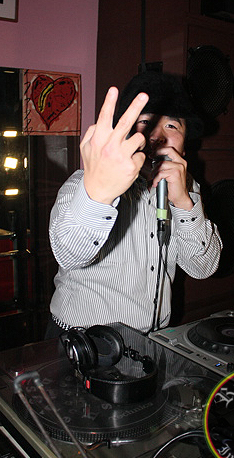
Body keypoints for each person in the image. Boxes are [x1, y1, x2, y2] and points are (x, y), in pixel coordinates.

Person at [46, 72, 222, 338]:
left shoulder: (188, 189)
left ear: (185, 147)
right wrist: (100, 192)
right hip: (81, 341)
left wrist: (183, 203)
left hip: (151, 341)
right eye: (146, 122)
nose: (158, 135)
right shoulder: (87, 182)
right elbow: (69, 254)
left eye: (172, 126)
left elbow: (202, 267)